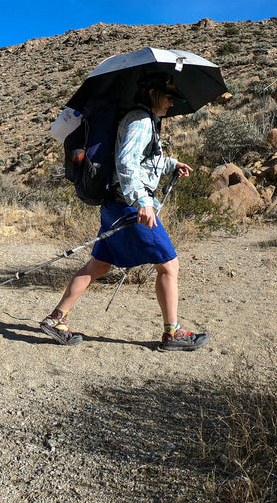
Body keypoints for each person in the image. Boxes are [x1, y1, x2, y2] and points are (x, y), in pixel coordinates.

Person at [40, 73, 210, 351]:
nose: (171, 104)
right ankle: (172, 334)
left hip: (115, 204)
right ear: (153, 93)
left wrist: (171, 163)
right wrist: (142, 201)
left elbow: (145, 160)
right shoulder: (141, 121)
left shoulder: (145, 121)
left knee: (98, 266)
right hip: (129, 206)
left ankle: (55, 320)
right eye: (169, 97)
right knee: (169, 265)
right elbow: (127, 163)